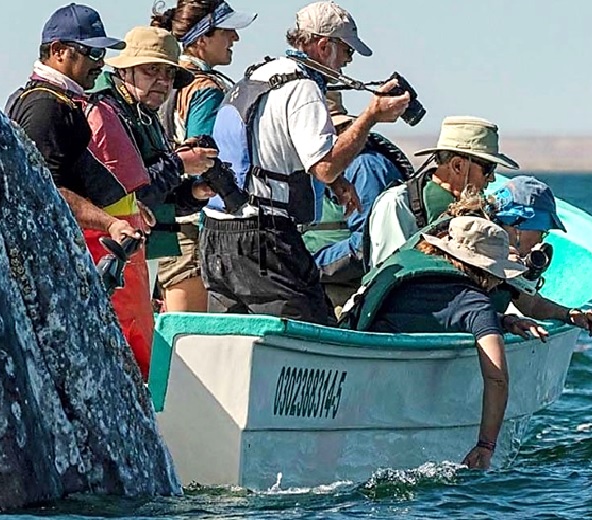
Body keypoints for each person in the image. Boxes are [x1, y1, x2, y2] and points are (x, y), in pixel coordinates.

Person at [200, 0, 410, 325]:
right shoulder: (303, 87)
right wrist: (371, 116)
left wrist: (337, 183)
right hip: (263, 236)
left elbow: (269, 149)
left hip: (216, 234)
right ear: (324, 46)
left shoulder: (259, 74)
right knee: (315, 339)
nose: (345, 65)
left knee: (232, 342)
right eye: (346, 54)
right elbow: (324, 165)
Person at [6, 5, 155, 374]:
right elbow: (47, 189)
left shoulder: (56, 102)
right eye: (91, 53)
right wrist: (110, 223)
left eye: (102, 54)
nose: (99, 64)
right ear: (58, 51)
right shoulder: (46, 108)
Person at [341, 216, 549, 469]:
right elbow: (497, 378)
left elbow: (436, 309)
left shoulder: (409, 267)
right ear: (487, 270)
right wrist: (486, 445)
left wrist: (503, 321)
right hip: (388, 395)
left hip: (351, 381)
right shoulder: (476, 304)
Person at [83, 25, 217, 379]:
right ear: (123, 71)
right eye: (151, 70)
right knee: (127, 351)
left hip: (134, 253)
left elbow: (152, 196)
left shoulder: (142, 114)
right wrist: (179, 164)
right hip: (109, 250)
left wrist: (194, 194)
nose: (162, 81)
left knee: (138, 348)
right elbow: (125, 191)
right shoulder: (106, 112)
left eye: (169, 73)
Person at [151, 0, 257, 312]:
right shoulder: (205, 88)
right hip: (191, 228)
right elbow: (202, 158)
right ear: (201, 39)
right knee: (189, 336)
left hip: (164, 216)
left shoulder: (163, 80)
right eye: (227, 32)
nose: (234, 39)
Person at [303, 97, 413, 310]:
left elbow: (366, 244)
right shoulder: (340, 168)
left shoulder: (365, 167)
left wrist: (308, 265)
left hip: (345, 290)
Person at [366, 116, 519, 269]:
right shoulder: (397, 204)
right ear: (458, 166)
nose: (491, 178)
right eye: (488, 168)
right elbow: (389, 274)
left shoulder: (477, 211)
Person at [488, 176, 592, 334]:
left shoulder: (506, 257)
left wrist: (568, 314)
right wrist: (506, 321)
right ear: (519, 226)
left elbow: (531, 305)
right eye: (541, 232)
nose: (540, 241)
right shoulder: (476, 248)